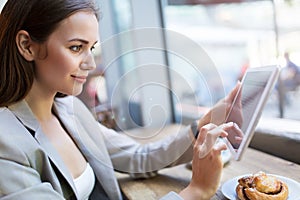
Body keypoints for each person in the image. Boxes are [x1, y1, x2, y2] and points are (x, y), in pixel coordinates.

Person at [0, 0, 242, 199]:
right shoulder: (6, 143)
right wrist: (196, 192)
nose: (91, 63)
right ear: (27, 46)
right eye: (75, 48)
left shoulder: (70, 110)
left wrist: (204, 123)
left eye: (91, 48)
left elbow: (139, 157)